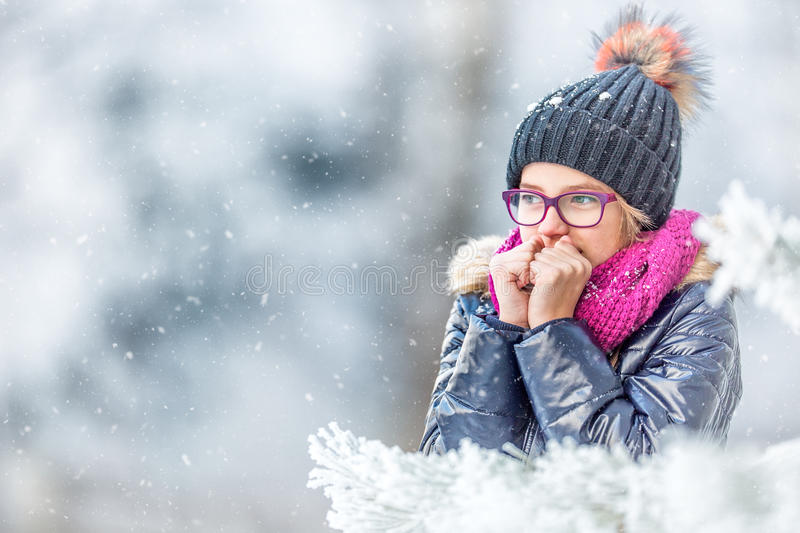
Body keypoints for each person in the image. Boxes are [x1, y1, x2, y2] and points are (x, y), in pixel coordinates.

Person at [418, 4, 742, 460]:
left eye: (582, 200)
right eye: (530, 198)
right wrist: (505, 326)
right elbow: (444, 475)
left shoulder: (691, 308)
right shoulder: (485, 298)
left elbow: (643, 479)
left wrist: (553, 331)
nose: (548, 226)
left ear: (637, 217)